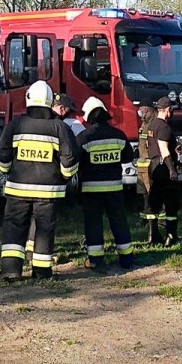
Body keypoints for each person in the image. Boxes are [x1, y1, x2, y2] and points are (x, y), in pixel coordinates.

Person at [0, 81, 80, 281]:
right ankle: (42, 272)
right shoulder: (59, 127)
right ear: (50, 101)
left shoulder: (15, 125)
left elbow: (2, 151)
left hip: (18, 189)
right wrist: (66, 176)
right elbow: (70, 156)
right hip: (48, 192)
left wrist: (6, 171)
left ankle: (10, 271)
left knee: (14, 227)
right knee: (44, 229)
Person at [77, 96, 135, 271]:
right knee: (119, 221)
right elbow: (128, 157)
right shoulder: (119, 135)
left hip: (91, 189)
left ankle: (95, 260)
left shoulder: (84, 137)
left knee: (93, 223)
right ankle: (127, 259)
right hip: (115, 188)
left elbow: (76, 160)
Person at [144, 96, 181, 246]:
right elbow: (164, 149)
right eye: (171, 109)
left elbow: (149, 145)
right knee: (171, 203)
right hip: (163, 168)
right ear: (167, 110)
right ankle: (171, 237)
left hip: (153, 166)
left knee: (155, 201)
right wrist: (172, 170)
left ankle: (152, 236)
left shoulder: (152, 125)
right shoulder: (164, 127)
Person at [135, 104, 161, 242]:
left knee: (153, 195)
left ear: (151, 110)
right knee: (143, 195)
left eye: (143, 110)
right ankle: (144, 218)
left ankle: (157, 225)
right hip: (142, 166)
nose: (141, 112)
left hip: (150, 166)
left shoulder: (155, 124)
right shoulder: (144, 124)